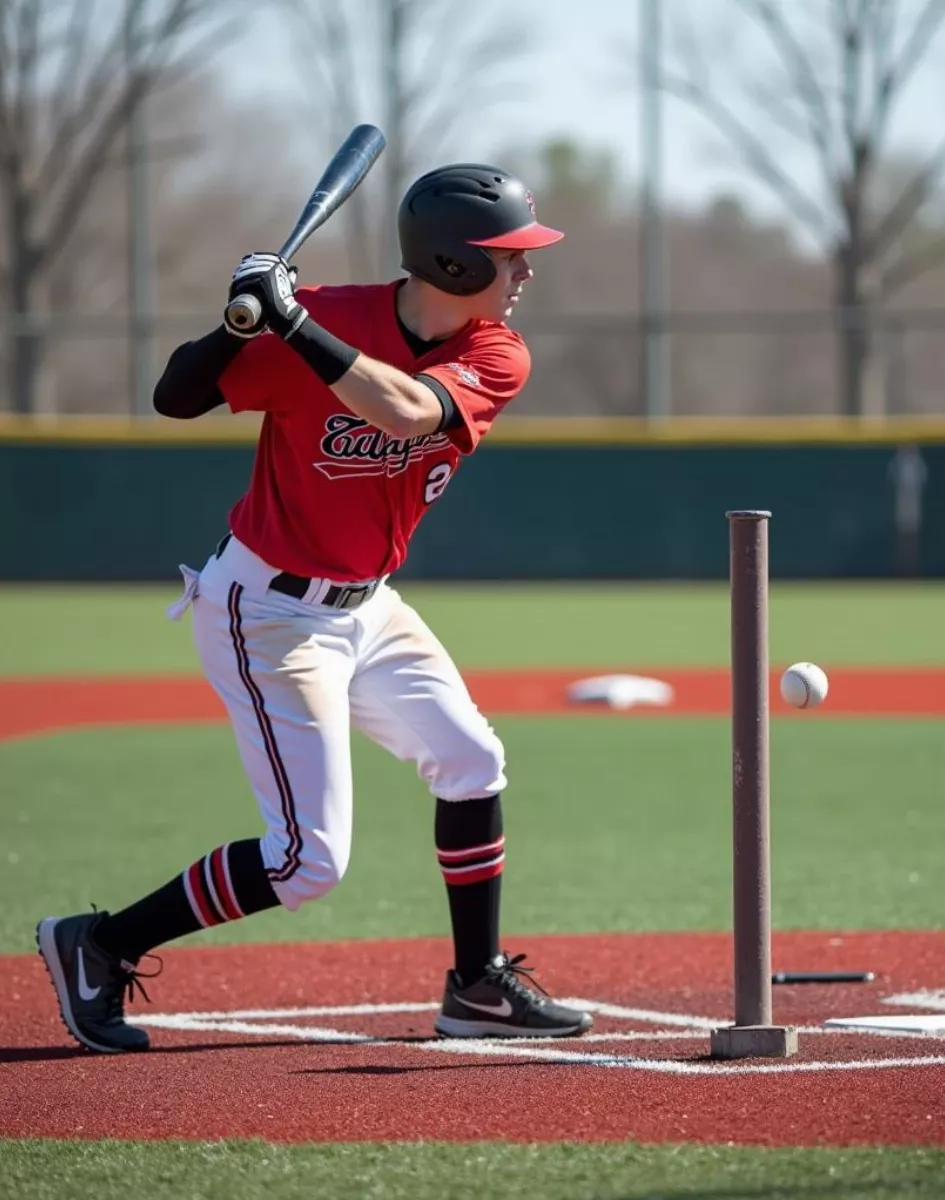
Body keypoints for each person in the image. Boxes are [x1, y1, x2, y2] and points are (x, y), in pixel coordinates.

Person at [35, 163, 593, 1054]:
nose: (526, 273)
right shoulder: (325, 316)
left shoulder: (493, 350)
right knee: (306, 863)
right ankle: (98, 944)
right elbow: (177, 398)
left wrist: (293, 325)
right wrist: (237, 321)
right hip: (268, 612)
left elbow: (409, 411)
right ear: (450, 264)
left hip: (368, 607)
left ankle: (476, 986)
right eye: (508, 257)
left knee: (470, 759)